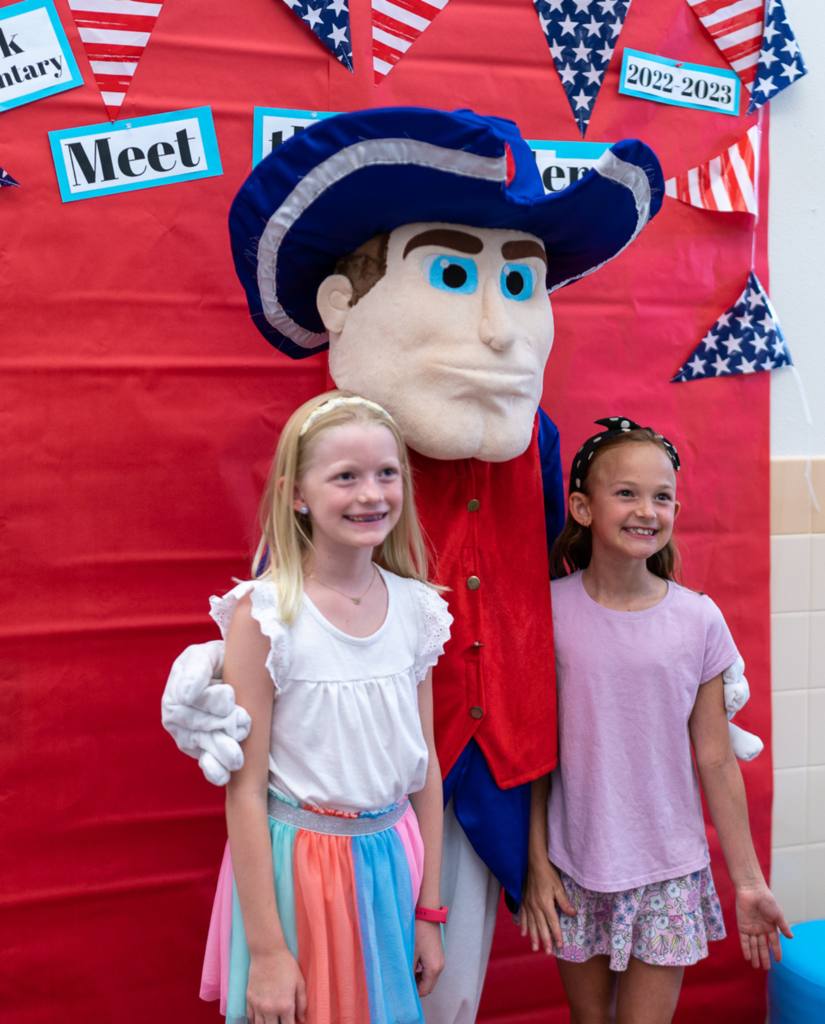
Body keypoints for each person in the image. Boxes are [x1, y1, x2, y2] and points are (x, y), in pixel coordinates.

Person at [162, 107, 667, 1024]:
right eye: (449, 273)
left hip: (479, 780)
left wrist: (671, 641)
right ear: (343, 309)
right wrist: (213, 674)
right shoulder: (342, 450)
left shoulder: (535, 441)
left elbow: (557, 588)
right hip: (338, 788)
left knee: (445, 992)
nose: (497, 326)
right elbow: (281, 596)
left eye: (517, 282)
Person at [518, 418, 791, 1024]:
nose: (648, 509)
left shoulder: (698, 620)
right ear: (582, 508)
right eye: (628, 493)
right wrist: (536, 864)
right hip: (574, 862)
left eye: (662, 496)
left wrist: (749, 882)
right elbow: (534, 754)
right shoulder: (550, 612)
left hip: (669, 870)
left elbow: (716, 758)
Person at [199, 391, 452, 1024]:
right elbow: (246, 790)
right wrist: (267, 951)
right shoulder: (266, 616)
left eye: (386, 473)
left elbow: (425, 771)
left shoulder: (419, 609)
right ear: (296, 494)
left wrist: (430, 911)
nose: (372, 494)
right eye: (346, 476)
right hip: (298, 875)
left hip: (393, 863)